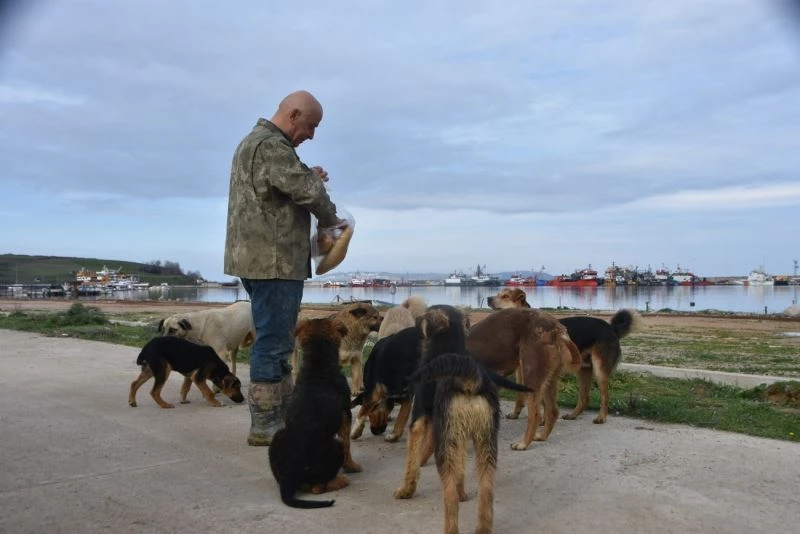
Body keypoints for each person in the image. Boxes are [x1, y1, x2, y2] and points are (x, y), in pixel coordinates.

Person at [224, 90, 346, 446]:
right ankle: (265, 423)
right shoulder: (272, 146)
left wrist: (307, 175)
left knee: (273, 337)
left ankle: (284, 413)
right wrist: (332, 221)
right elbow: (308, 194)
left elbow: (285, 186)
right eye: (311, 125)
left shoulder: (257, 144)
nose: (312, 135)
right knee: (274, 343)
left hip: (257, 258)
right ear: (293, 115)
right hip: (274, 261)